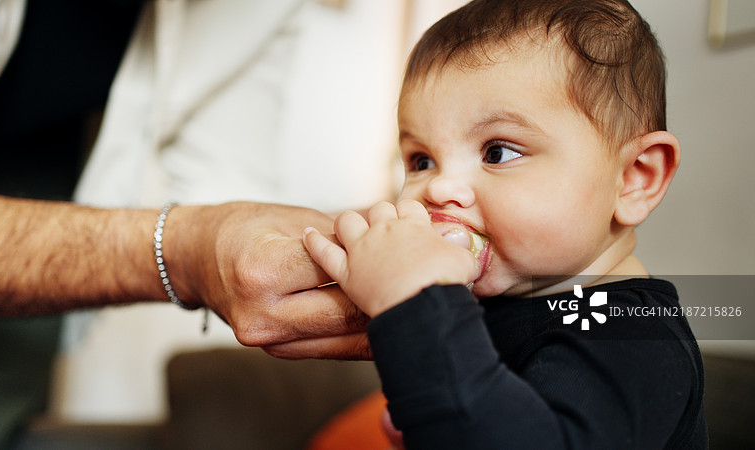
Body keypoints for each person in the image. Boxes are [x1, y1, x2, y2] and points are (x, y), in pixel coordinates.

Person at [0, 0, 381, 448]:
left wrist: (312, 246)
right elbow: (197, 239)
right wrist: (181, 250)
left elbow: (225, 187)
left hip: (21, 290)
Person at [302, 0, 708, 448]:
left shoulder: (633, 334)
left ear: (633, 179)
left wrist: (415, 303)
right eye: (421, 161)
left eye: (497, 152)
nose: (439, 188)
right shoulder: (489, 304)